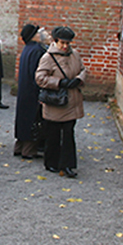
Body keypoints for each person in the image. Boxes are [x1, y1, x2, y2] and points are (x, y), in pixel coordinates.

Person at [35, 26, 87, 178]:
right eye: (62, 43)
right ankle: (51, 162)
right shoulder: (48, 57)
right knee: (53, 135)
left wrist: (78, 80)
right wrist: (59, 83)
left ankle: (68, 164)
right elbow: (39, 78)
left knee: (69, 135)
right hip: (55, 103)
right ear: (55, 41)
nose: (65, 46)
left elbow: (83, 70)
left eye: (67, 43)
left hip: (72, 101)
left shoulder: (75, 54)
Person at [13, 24, 48, 159]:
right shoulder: (37, 50)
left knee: (23, 119)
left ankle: (19, 146)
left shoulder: (27, 49)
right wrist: (40, 92)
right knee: (33, 120)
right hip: (33, 91)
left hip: (24, 90)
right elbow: (36, 74)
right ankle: (28, 150)